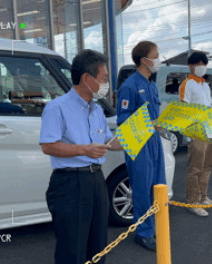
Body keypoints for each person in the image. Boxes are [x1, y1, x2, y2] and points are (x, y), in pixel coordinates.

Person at [39, 50, 123, 264]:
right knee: (72, 248)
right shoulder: (57, 107)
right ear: (87, 79)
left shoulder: (95, 110)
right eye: (104, 79)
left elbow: (109, 141)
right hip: (69, 183)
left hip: (96, 180)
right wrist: (85, 150)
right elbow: (48, 146)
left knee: (98, 245)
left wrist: (141, 135)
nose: (106, 84)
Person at [116, 41, 166, 251]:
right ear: (144, 60)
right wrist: (148, 124)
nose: (158, 59)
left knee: (158, 185)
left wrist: (162, 123)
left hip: (154, 141)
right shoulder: (129, 86)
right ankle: (143, 232)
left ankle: (154, 226)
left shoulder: (151, 85)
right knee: (142, 189)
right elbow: (123, 119)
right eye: (156, 55)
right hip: (139, 143)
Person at [179, 52, 212, 217]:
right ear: (191, 65)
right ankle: (192, 201)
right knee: (195, 168)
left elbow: (208, 105)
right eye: (199, 64)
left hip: (210, 130)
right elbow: (184, 108)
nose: (202, 67)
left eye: (204, 64)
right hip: (196, 131)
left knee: (207, 166)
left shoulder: (205, 84)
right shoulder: (187, 84)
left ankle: (202, 197)